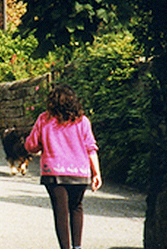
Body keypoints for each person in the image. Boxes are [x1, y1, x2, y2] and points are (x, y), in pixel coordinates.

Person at [24, 83, 103, 249]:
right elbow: (91, 148)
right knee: (76, 208)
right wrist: (97, 174)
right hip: (80, 173)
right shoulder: (83, 121)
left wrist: (42, 143)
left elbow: (31, 146)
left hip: (54, 173)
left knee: (61, 212)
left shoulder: (44, 120)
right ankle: (77, 247)